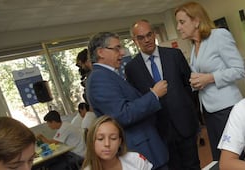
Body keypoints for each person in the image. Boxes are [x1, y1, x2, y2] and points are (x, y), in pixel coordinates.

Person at [85, 32, 169, 169]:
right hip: (140, 148)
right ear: (101, 52)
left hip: (148, 143)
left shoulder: (109, 75)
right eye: (117, 48)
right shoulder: (99, 79)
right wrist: (153, 95)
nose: (122, 52)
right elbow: (121, 115)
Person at [125, 20, 200, 170]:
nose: (147, 40)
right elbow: (138, 100)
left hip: (185, 125)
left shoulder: (174, 55)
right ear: (134, 41)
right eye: (141, 37)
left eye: (149, 34)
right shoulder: (131, 68)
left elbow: (189, 87)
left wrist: (192, 115)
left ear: (154, 34)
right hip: (159, 132)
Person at [175, 2, 245, 161]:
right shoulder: (194, 46)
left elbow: (240, 69)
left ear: (196, 21)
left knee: (233, 157)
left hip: (226, 108)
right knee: (219, 157)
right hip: (208, 110)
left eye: (182, 22)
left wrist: (210, 78)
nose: (179, 27)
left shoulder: (219, 35)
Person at [83, 115, 153, 170]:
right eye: (100, 139)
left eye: (113, 138)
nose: (107, 144)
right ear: (91, 142)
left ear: (120, 141)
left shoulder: (135, 160)